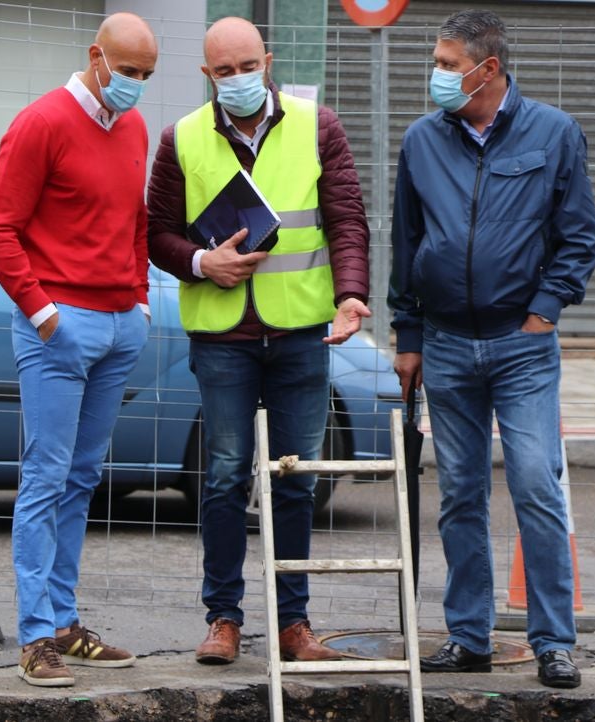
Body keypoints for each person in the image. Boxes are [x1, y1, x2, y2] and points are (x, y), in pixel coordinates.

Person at [146, 16, 370, 666]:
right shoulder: (182, 138)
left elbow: (346, 219)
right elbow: (157, 234)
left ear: (267, 61)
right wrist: (200, 262)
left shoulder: (317, 126)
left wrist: (351, 294)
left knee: (296, 479)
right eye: (225, 71)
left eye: (248, 66)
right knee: (223, 477)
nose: (239, 78)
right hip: (223, 336)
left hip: (301, 331)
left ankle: (293, 624)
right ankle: (223, 619)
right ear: (206, 74)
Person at [389, 10, 595, 689]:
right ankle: (467, 636)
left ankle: (553, 641)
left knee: (536, 484)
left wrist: (545, 311)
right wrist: (409, 335)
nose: (436, 75)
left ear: (488, 69)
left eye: (448, 64)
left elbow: (580, 235)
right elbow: (406, 240)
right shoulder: (422, 140)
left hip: (521, 345)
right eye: (437, 61)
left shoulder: (553, 132)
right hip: (447, 345)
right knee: (459, 495)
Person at [0, 12, 158, 688]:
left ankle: (62, 622)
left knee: (81, 478)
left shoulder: (132, 126)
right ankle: (34, 637)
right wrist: (46, 314)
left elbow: (134, 221)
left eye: (146, 74)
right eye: (128, 70)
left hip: (118, 323)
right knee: (46, 477)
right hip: (61, 324)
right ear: (95, 56)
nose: (135, 84)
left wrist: (139, 301)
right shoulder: (41, 123)